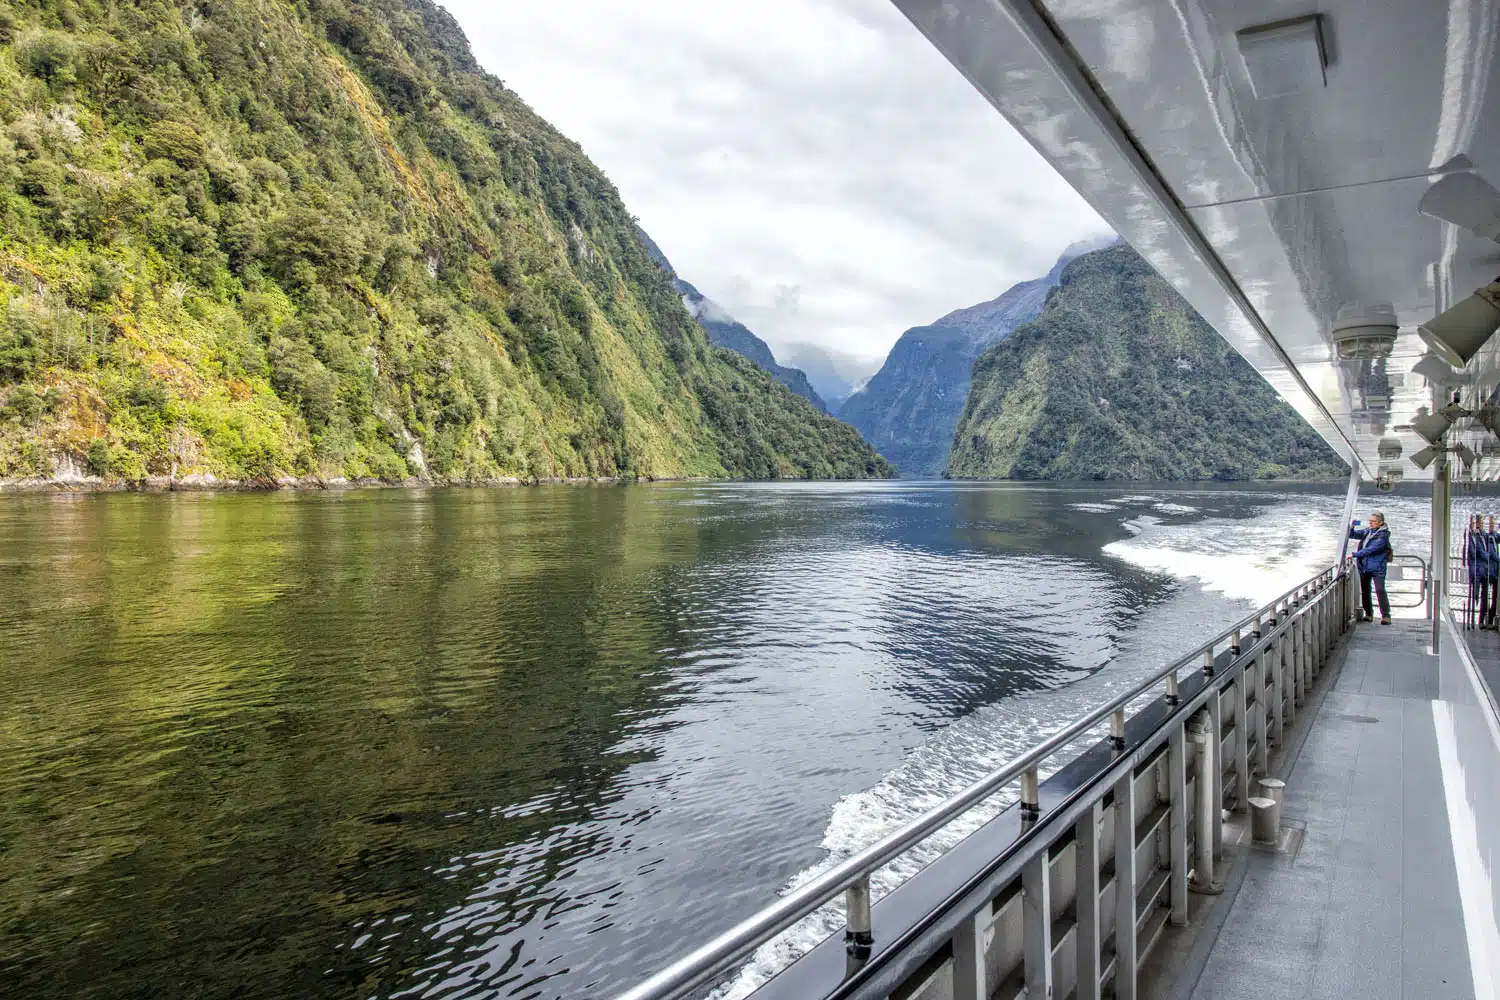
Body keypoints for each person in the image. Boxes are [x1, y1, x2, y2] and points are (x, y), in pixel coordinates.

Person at [1349, 511, 1392, 624]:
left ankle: (1386, 615)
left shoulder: (1382, 536)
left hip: (1377, 568)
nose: (1371, 523)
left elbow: (1370, 550)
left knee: (1380, 590)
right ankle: (1368, 614)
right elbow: (1352, 535)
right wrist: (1352, 527)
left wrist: (1354, 554)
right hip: (1364, 566)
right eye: (1370, 521)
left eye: (1373, 521)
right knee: (1365, 591)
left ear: (1381, 523)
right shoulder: (1367, 531)